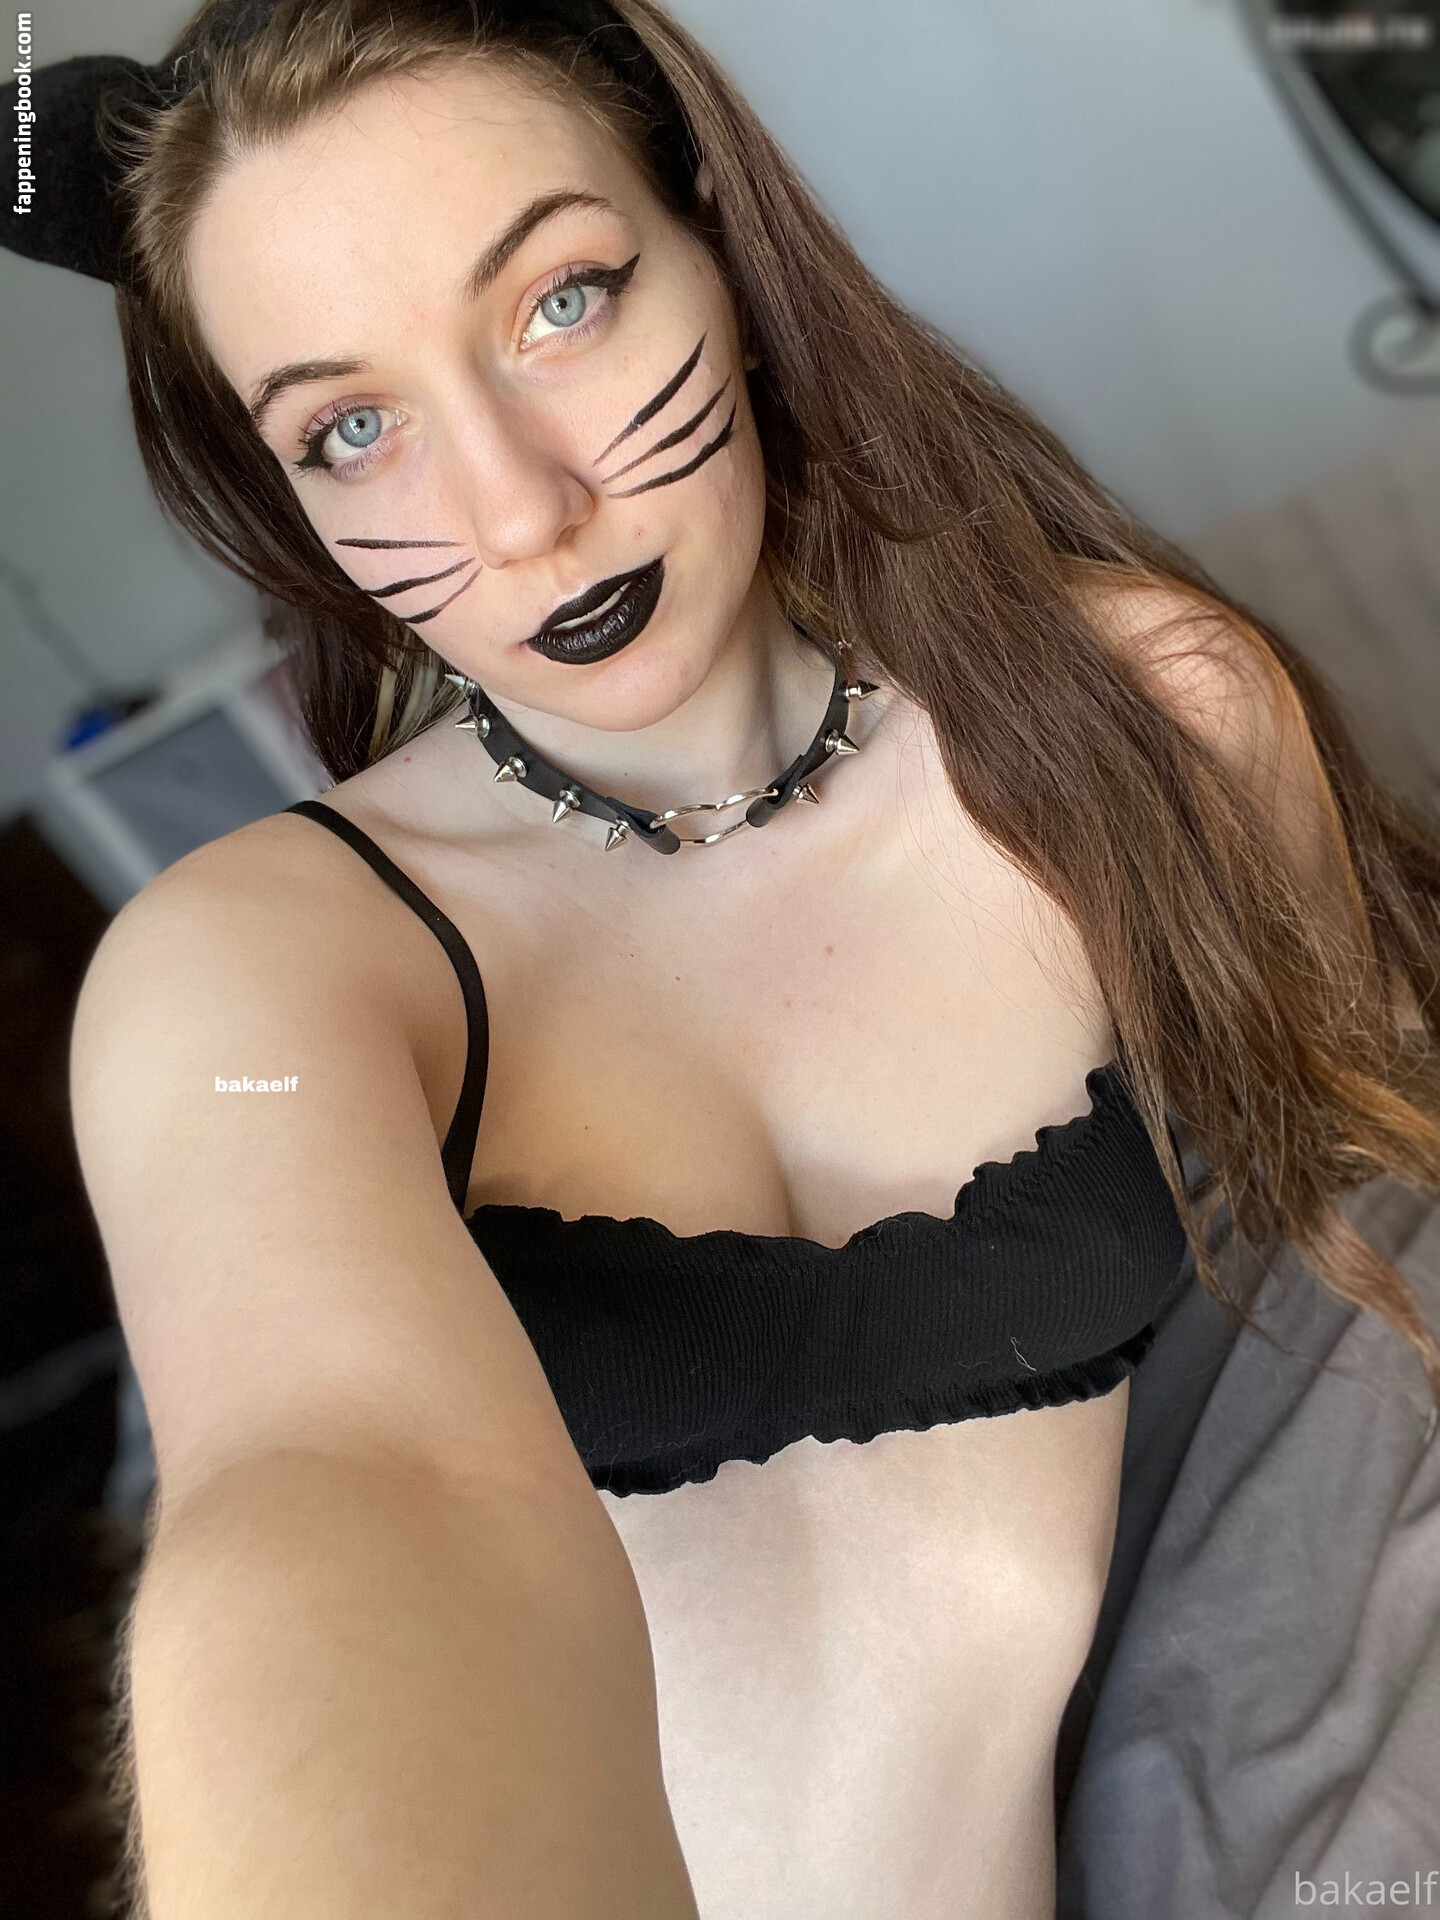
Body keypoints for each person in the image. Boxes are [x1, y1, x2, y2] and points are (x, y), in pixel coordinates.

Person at [6, 2, 1440, 1915]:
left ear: (724, 252)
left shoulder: (1151, 728)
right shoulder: (255, 987)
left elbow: (1366, 1251)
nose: (520, 510)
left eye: (563, 302)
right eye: (352, 427)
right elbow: (334, 1487)